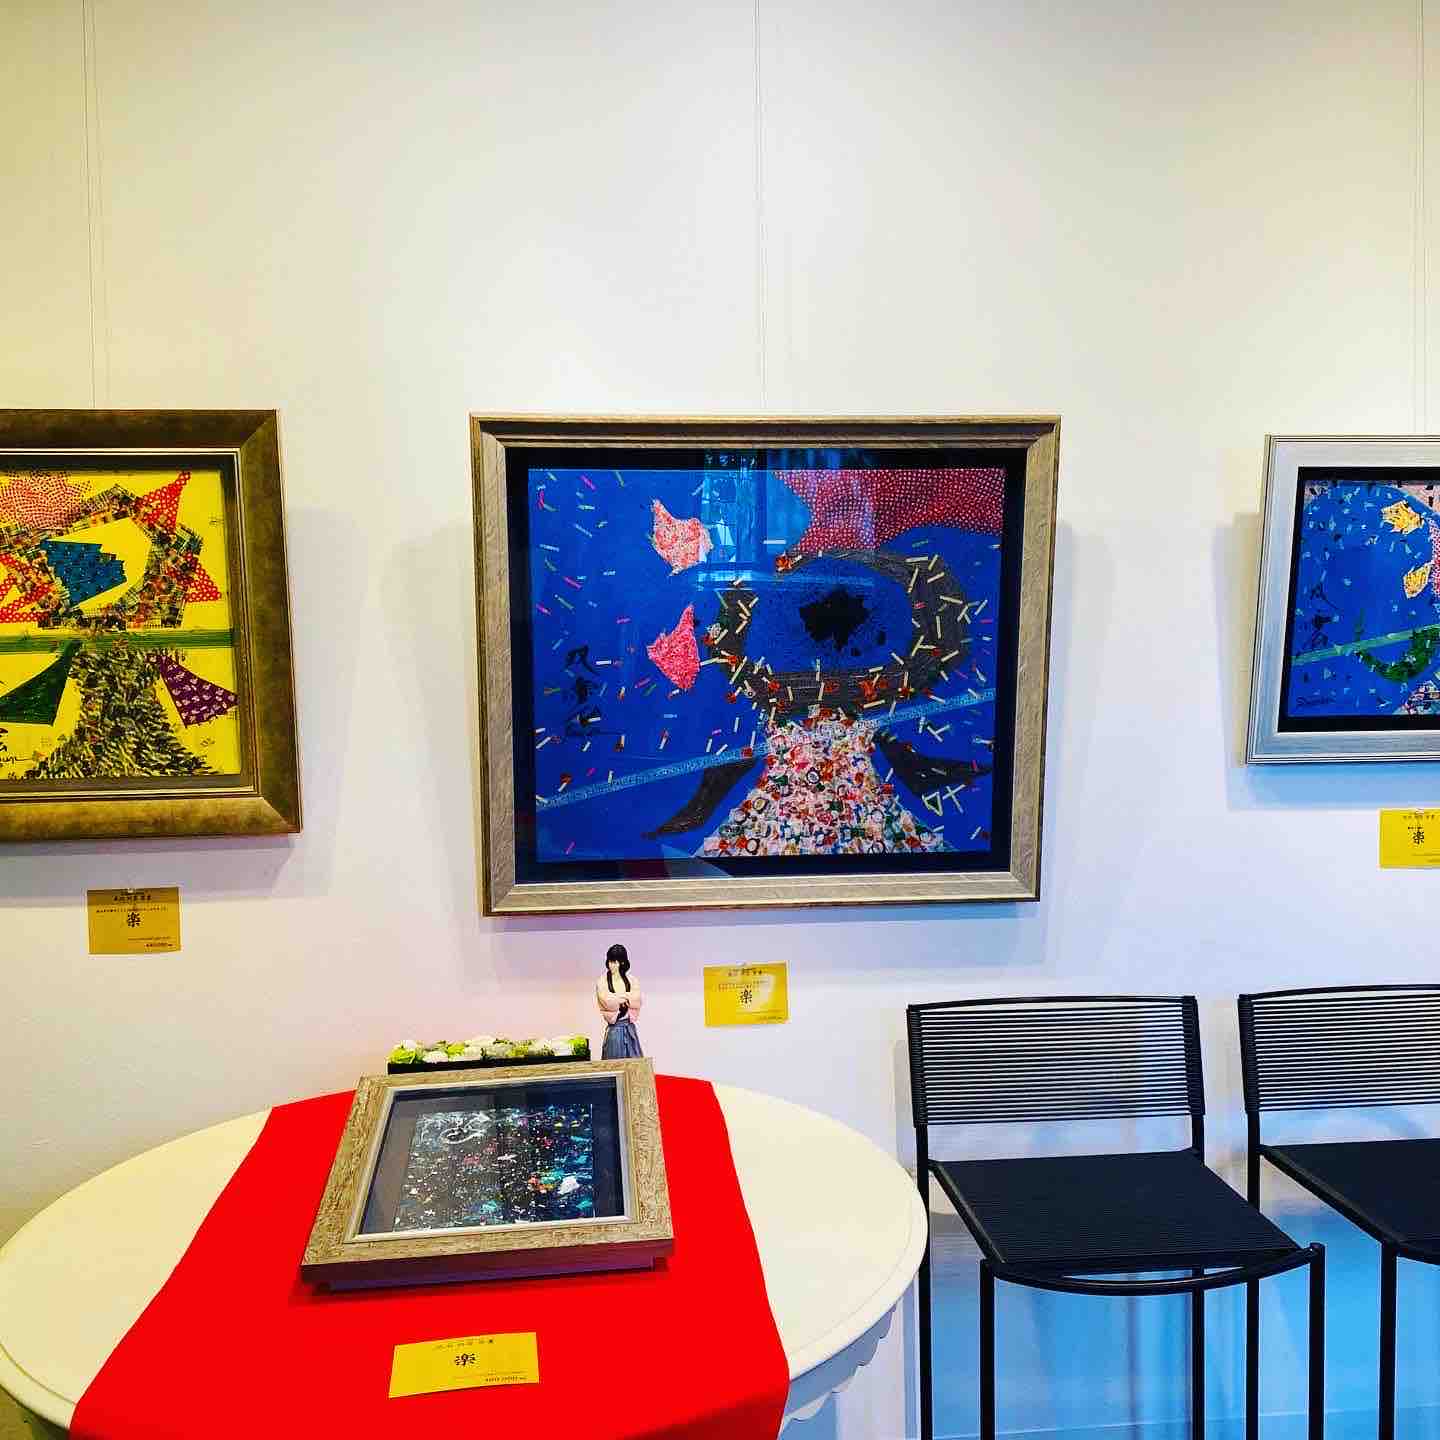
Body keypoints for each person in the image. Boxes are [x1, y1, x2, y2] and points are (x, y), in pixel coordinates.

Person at [596, 942, 643, 1058]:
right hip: (614, 1031)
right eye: (610, 961)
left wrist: (618, 997)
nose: (611, 965)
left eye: (615, 962)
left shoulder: (632, 980)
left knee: (634, 1063)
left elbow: (637, 1000)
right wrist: (627, 997)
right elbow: (607, 1002)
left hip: (629, 1029)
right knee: (613, 1064)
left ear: (622, 962)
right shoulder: (602, 981)